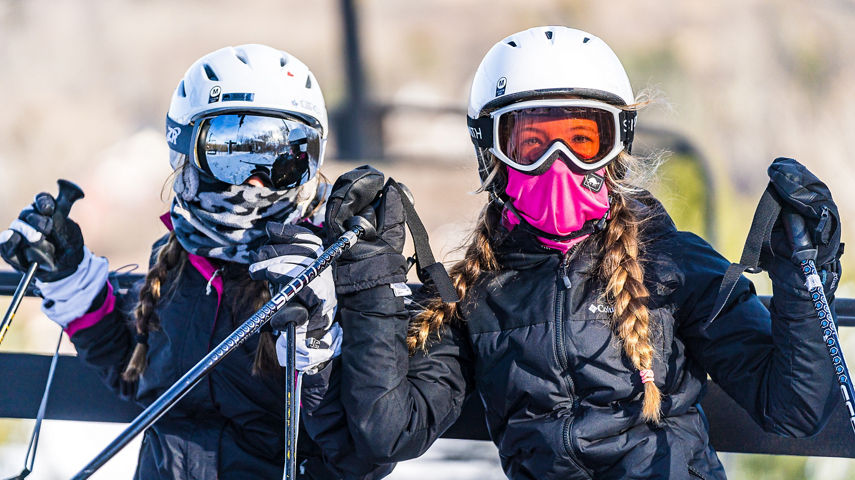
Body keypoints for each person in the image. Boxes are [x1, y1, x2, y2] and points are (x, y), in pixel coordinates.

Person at [300, 26, 843, 479]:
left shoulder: (671, 264)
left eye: (583, 140)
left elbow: (794, 409)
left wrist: (802, 271)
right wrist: (369, 276)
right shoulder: (474, 296)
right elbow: (389, 432)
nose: (558, 163)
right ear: (491, 155)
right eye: (530, 144)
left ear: (616, 148)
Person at [0, 44, 341, 479]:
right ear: (186, 153)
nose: (255, 183)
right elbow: (140, 374)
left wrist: (320, 340)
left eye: (282, 161)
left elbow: (363, 439)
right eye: (229, 156)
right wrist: (70, 278)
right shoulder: (178, 261)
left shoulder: (324, 273)